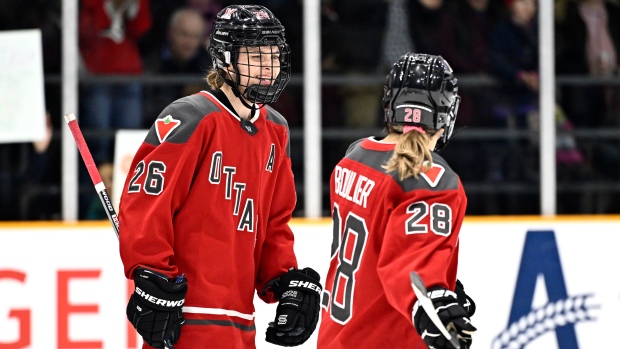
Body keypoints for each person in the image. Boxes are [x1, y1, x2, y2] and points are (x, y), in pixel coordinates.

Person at [118, 4, 322, 349]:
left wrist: (283, 280)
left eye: (273, 57)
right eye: (256, 57)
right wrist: (151, 275)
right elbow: (145, 202)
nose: (268, 68)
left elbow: (273, 223)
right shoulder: (192, 117)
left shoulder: (276, 130)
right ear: (226, 59)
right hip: (186, 319)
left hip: (241, 325)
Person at [317, 53, 477, 349]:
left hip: (335, 338)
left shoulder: (353, 157)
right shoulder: (432, 178)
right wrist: (431, 300)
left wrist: (445, 286)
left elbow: (382, 246)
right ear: (445, 112)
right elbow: (408, 267)